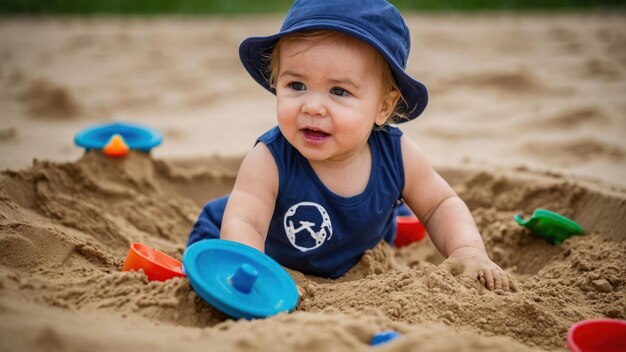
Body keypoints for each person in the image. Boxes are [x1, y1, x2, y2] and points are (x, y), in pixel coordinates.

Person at [188, 0, 514, 291]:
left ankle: (386, 216)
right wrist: (254, 272)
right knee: (223, 241)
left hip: (352, 258)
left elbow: (440, 204)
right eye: (296, 85)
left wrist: (467, 250)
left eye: (339, 92)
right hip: (249, 241)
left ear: (383, 108)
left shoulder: (397, 156)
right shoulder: (269, 159)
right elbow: (245, 223)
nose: (313, 106)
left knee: (394, 202)